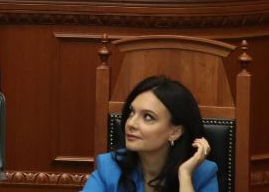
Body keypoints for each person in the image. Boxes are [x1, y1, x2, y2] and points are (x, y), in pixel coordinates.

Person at [82, 75, 218, 192]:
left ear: (175, 132)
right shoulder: (110, 167)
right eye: (131, 112)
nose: (131, 123)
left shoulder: (202, 174)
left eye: (148, 117)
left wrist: (185, 175)